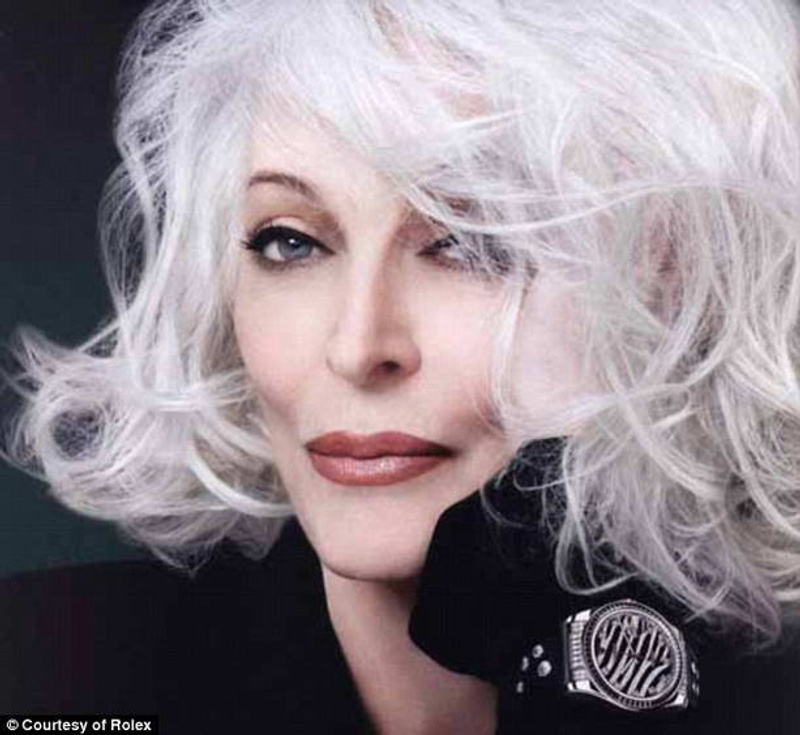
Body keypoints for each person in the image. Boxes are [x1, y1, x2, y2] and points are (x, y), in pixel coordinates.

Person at [2, 0, 800, 733]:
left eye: (471, 242)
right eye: (290, 241)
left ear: (670, 281)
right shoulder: (48, 679)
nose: (357, 347)